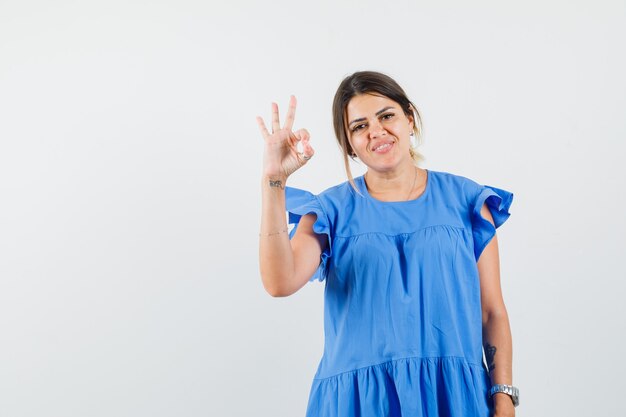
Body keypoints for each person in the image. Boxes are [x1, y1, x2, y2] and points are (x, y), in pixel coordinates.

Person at [256, 71, 518, 417]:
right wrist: (274, 182)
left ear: (410, 119)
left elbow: (491, 311)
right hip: (360, 403)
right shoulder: (330, 212)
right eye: (359, 126)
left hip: (454, 398)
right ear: (349, 144)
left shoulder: (466, 201)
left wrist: (504, 397)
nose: (376, 131)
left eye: (386, 116)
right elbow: (279, 282)